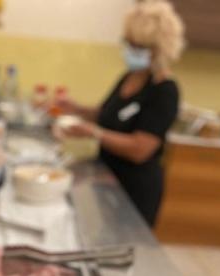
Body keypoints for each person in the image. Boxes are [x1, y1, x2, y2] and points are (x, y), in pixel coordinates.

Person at [55, 0, 185, 227]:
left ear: (158, 50)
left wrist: (94, 133)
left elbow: (140, 149)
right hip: (106, 177)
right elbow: (108, 114)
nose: (130, 50)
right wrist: (76, 108)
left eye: (138, 46)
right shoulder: (130, 76)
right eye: (128, 43)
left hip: (135, 190)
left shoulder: (165, 90)